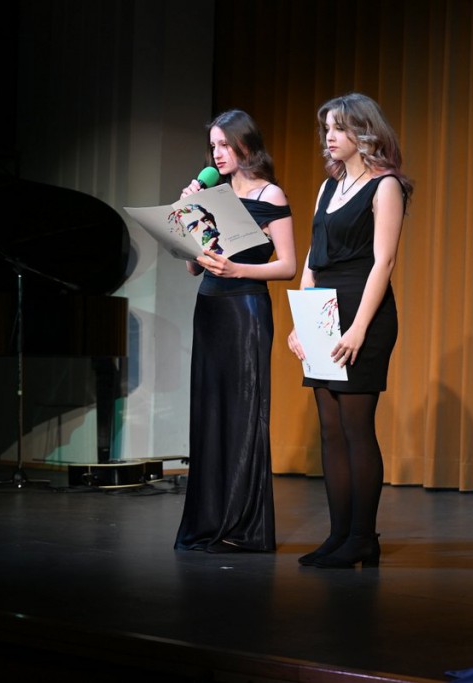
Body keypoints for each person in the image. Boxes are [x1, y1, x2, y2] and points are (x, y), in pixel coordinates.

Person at [287, 93, 413, 568]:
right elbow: (312, 259)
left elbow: (385, 261)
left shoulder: (385, 186)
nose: (330, 137)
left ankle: (363, 538)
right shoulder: (329, 187)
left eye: (338, 128)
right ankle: (339, 534)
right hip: (324, 309)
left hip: (364, 312)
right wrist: (302, 322)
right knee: (330, 428)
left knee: (357, 427)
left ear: (364, 131)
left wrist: (359, 327)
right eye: (327, 129)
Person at [174, 109, 296, 553]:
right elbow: (194, 267)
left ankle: (242, 525)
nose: (218, 154)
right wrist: (187, 212)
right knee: (209, 413)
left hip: (245, 310)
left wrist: (238, 268)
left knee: (243, 413)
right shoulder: (211, 194)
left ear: (246, 144)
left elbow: (288, 265)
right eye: (213, 146)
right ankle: (209, 520)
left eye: (225, 144)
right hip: (209, 308)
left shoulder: (269, 194)